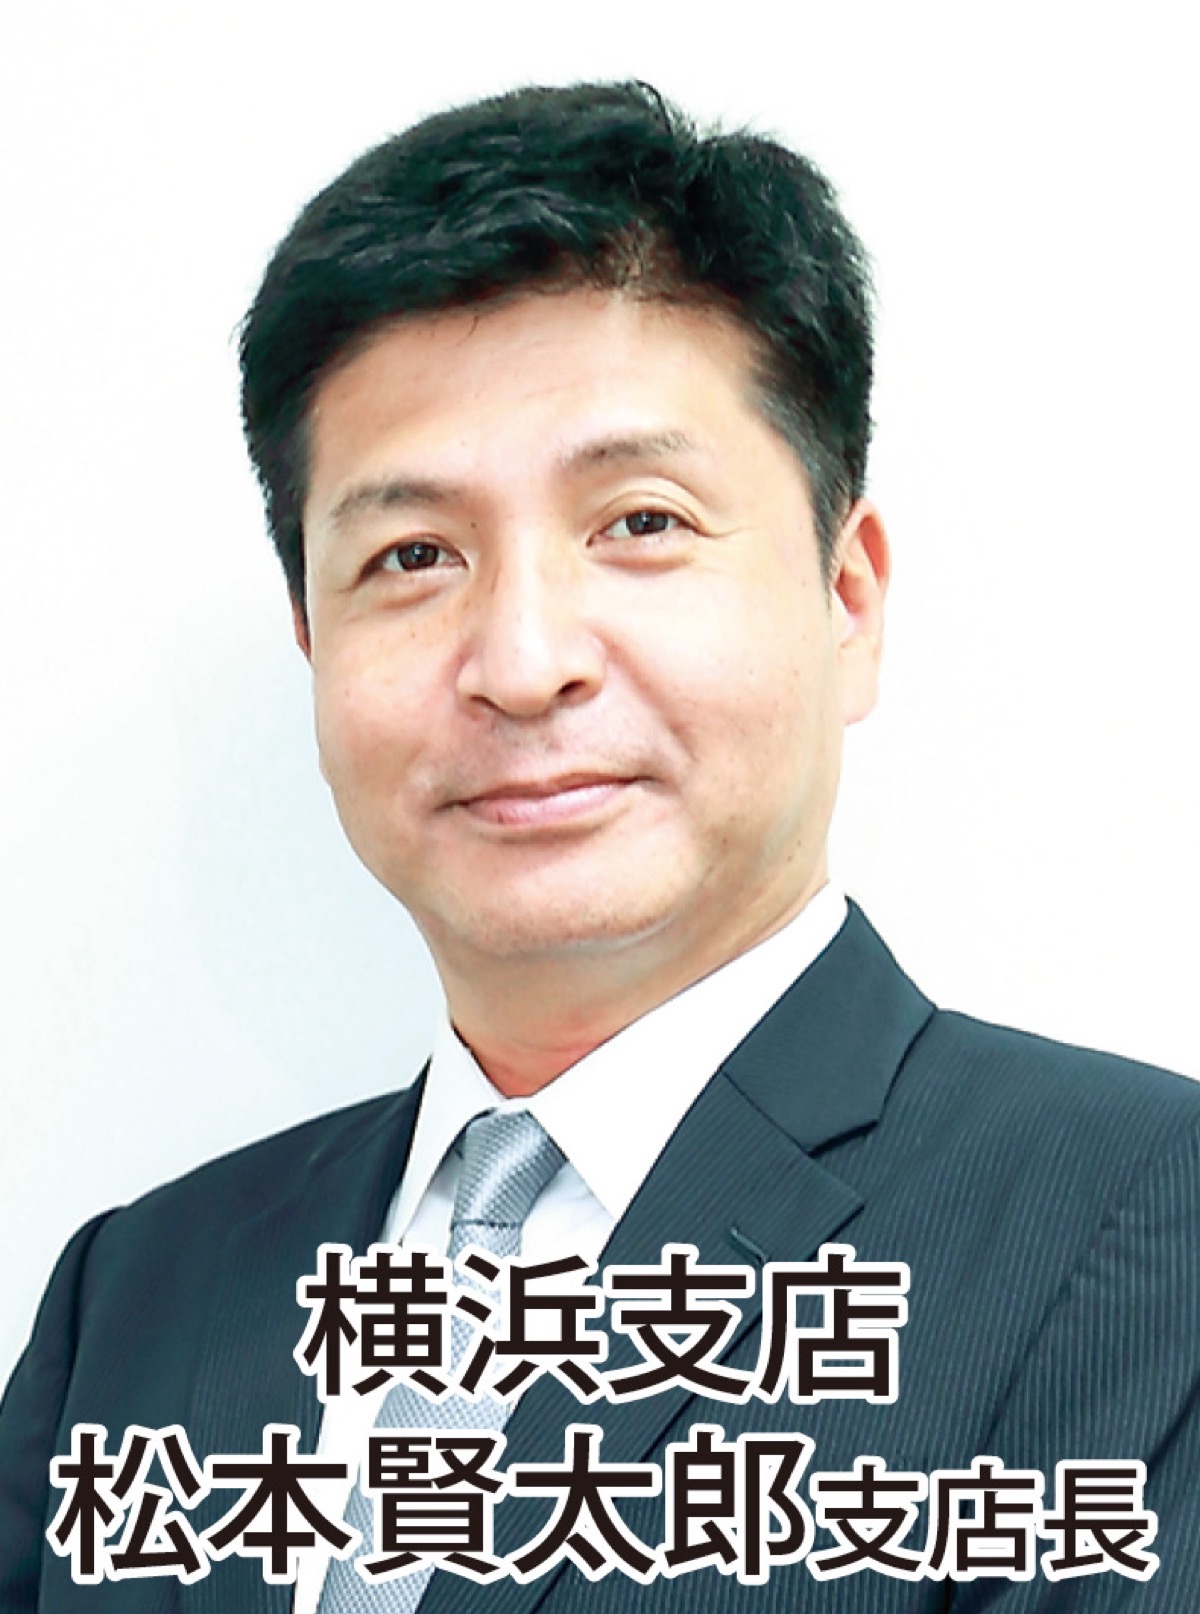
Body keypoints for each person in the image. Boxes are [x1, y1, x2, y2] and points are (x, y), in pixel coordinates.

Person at [1, 80, 1198, 1612]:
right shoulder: (133, 1295)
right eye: (412, 554)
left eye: (640, 522)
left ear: (847, 600)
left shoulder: (1142, 1235)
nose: (523, 660)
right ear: (313, 639)